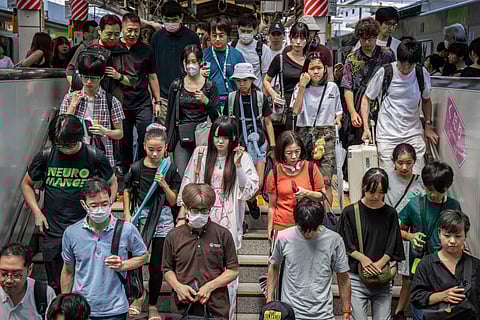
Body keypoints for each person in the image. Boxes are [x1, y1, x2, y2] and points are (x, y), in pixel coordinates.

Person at [21, 114, 115, 293]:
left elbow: (112, 183)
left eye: (70, 145)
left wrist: (104, 210)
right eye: (61, 146)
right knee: (56, 284)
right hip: (54, 230)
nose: (66, 149)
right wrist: (37, 213)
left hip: (86, 230)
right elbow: (26, 184)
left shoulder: (94, 156)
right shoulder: (45, 156)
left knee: (86, 282)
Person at [176, 116, 258, 318]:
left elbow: (249, 190)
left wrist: (238, 165)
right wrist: (181, 217)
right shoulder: (201, 154)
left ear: (233, 138)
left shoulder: (242, 157)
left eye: (224, 138)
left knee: (227, 270)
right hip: (201, 218)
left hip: (228, 221)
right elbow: (188, 185)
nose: (220, 142)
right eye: (216, 137)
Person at [61, 177, 148, 320]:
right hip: (82, 309)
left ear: (111, 201)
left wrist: (124, 265)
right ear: (84, 205)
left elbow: (144, 256)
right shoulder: (72, 233)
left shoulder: (126, 229)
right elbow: (68, 271)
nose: (100, 209)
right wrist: (65, 302)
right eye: (94, 205)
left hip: (116, 309)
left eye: (105, 203)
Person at [123, 124, 181, 319]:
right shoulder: (137, 167)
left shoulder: (170, 168)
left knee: (156, 265)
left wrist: (164, 183)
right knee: (136, 260)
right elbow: (127, 190)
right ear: (144, 147)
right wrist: (126, 214)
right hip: (141, 218)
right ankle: (139, 296)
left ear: (166, 148)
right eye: (150, 149)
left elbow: (173, 200)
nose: (155, 154)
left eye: (159, 150)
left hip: (163, 218)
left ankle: (154, 304)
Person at [360, 39, 438, 174]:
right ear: (398, 60)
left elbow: (426, 100)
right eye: (403, 65)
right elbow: (366, 98)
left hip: (413, 133)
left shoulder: (421, 73)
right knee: (389, 178)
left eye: (410, 66)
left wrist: (428, 125)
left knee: (416, 176)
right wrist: (366, 128)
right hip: (388, 135)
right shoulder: (386, 72)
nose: (406, 69)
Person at [163, 183, 240, 319]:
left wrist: (210, 286)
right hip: (182, 307)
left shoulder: (223, 234)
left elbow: (233, 270)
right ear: (186, 208)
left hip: (216, 307)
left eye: (204, 210)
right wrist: (178, 287)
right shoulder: (173, 236)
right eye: (195, 210)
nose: (199, 214)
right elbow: (167, 269)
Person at [337, 168, 405, 320]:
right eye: (372, 191)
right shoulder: (350, 212)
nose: (376, 196)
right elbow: (343, 241)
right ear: (364, 187)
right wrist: (363, 258)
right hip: (356, 277)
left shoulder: (390, 213)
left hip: (383, 277)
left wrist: (381, 263)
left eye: (380, 192)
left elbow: (393, 243)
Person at [267, 198, 351, 320]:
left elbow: (343, 277)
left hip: (323, 314)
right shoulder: (283, 237)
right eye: (303, 230)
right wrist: (269, 301)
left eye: (312, 230)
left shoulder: (334, 240)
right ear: (297, 223)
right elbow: (274, 267)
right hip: (291, 313)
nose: (308, 234)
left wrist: (346, 309)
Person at [399, 160, 462, 320]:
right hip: (419, 266)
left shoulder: (454, 206)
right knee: (419, 312)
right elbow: (399, 231)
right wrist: (411, 237)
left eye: (438, 191)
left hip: (446, 270)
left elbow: (459, 234)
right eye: (429, 189)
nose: (433, 194)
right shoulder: (414, 204)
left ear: (447, 187)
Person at [225, 62, 275, 217]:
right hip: (239, 145)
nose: (242, 83)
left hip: (259, 144)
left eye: (245, 80)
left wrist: (272, 146)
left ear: (252, 80)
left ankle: (251, 201)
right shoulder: (232, 98)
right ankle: (249, 204)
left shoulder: (260, 98)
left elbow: (267, 122)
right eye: (239, 80)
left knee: (258, 183)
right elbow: (228, 122)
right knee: (241, 181)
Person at [292, 51, 342, 204]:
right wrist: (302, 86)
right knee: (304, 177)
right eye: (311, 68)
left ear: (324, 69)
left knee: (325, 180)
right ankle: (306, 214)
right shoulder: (300, 87)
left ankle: (326, 218)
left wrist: (338, 120)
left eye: (319, 68)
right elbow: (295, 110)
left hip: (326, 135)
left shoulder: (332, 88)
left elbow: (338, 112)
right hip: (304, 134)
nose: (315, 72)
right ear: (306, 70)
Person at [410, 210, 480, 319]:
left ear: (465, 236)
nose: (452, 241)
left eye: (457, 236)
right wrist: (442, 296)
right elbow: (416, 297)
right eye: (447, 235)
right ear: (439, 234)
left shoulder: (475, 265)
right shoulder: (426, 264)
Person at [61, 52, 125, 168]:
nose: (89, 82)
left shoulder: (112, 101)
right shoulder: (70, 98)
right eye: (85, 77)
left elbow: (120, 133)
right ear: (80, 76)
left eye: (94, 78)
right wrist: (73, 106)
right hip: (75, 158)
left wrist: (105, 131)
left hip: (102, 158)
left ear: (101, 77)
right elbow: (61, 128)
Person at [165, 44, 220, 179]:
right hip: (183, 136)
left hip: (204, 136)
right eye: (187, 62)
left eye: (194, 61)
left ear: (200, 62)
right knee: (183, 176)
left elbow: (216, 117)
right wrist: (167, 139)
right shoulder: (177, 85)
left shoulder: (209, 86)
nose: (191, 65)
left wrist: (206, 101)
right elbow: (170, 115)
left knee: (203, 176)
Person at [384, 143, 425, 320]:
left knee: (407, 275)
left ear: (415, 162)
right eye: (400, 162)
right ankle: (384, 308)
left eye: (408, 163)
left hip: (409, 235)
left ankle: (399, 311)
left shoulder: (420, 183)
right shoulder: (385, 180)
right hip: (387, 232)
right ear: (393, 162)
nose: (404, 167)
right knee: (387, 273)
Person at [341, 17, 395, 148]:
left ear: (376, 36)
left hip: (383, 109)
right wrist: (353, 112)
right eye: (363, 39)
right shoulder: (352, 58)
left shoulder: (387, 55)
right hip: (359, 108)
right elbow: (347, 88)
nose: (366, 42)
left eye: (370, 38)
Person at [120, 13, 161, 173]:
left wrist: (157, 101)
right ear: (122, 29)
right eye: (129, 30)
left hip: (142, 101)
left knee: (145, 135)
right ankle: (126, 174)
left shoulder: (146, 50)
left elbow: (152, 76)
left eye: (136, 31)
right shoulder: (116, 48)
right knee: (125, 141)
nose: (132, 34)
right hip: (121, 102)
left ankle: (142, 171)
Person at [265, 130, 326, 239]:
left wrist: (306, 193)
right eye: (289, 153)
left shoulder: (311, 168)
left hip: (308, 225)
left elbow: (322, 196)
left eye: (297, 151)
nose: (294, 156)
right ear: (282, 153)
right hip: (282, 225)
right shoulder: (274, 173)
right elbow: (272, 206)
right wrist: (270, 229)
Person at [66, 14, 137, 105]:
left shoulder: (122, 52)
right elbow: (70, 71)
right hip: (83, 101)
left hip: (112, 103)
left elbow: (133, 81)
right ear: (99, 30)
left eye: (116, 34)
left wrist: (119, 76)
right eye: (109, 34)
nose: (112, 38)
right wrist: (77, 84)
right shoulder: (85, 48)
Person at [151, 0, 200, 125]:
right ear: (161, 18)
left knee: (185, 131)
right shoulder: (157, 37)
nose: (171, 23)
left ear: (181, 18)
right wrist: (155, 98)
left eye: (174, 20)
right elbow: (152, 69)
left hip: (187, 94)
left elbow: (198, 65)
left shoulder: (192, 37)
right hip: (162, 97)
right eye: (167, 19)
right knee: (165, 132)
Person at [264, 22, 309, 133]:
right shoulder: (280, 59)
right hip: (285, 108)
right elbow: (266, 80)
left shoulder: (310, 62)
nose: (298, 42)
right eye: (295, 37)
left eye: (302, 38)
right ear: (290, 38)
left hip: (306, 107)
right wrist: (274, 94)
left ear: (307, 40)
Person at [0, 243, 56, 319]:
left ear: (29, 269)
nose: (9, 280)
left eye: (16, 275)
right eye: (3, 274)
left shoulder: (44, 294)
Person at [202, 16, 246, 112]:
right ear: (209, 35)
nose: (217, 39)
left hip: (232, 102)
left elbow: (245, 80)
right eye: (214, 35)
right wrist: (199, 75)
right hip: (208, 102)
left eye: (221, 35)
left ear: (228, 36)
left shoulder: (237, 56)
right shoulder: (203, 55)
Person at [232, 13, 273, 90]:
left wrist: (263, 98)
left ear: (255, 30)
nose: (245, 34)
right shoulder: (231, 47)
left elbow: (266, 78)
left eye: (249, 31)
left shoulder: (263, 50)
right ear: (238, 29)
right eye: (243, 31)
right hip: (236, 96)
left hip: (256, 95)